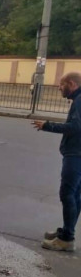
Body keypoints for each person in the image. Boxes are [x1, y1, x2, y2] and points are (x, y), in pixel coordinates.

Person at [31, 71, 81, 252]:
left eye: (62, 85)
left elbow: (76, 127)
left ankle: (67, 239)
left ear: (72, 84)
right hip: (77, 153)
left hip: (76, 155)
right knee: (75, 195)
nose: (59, 88)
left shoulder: (79, 100)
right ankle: (66, 232)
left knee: (67, 194)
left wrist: (47, 125)